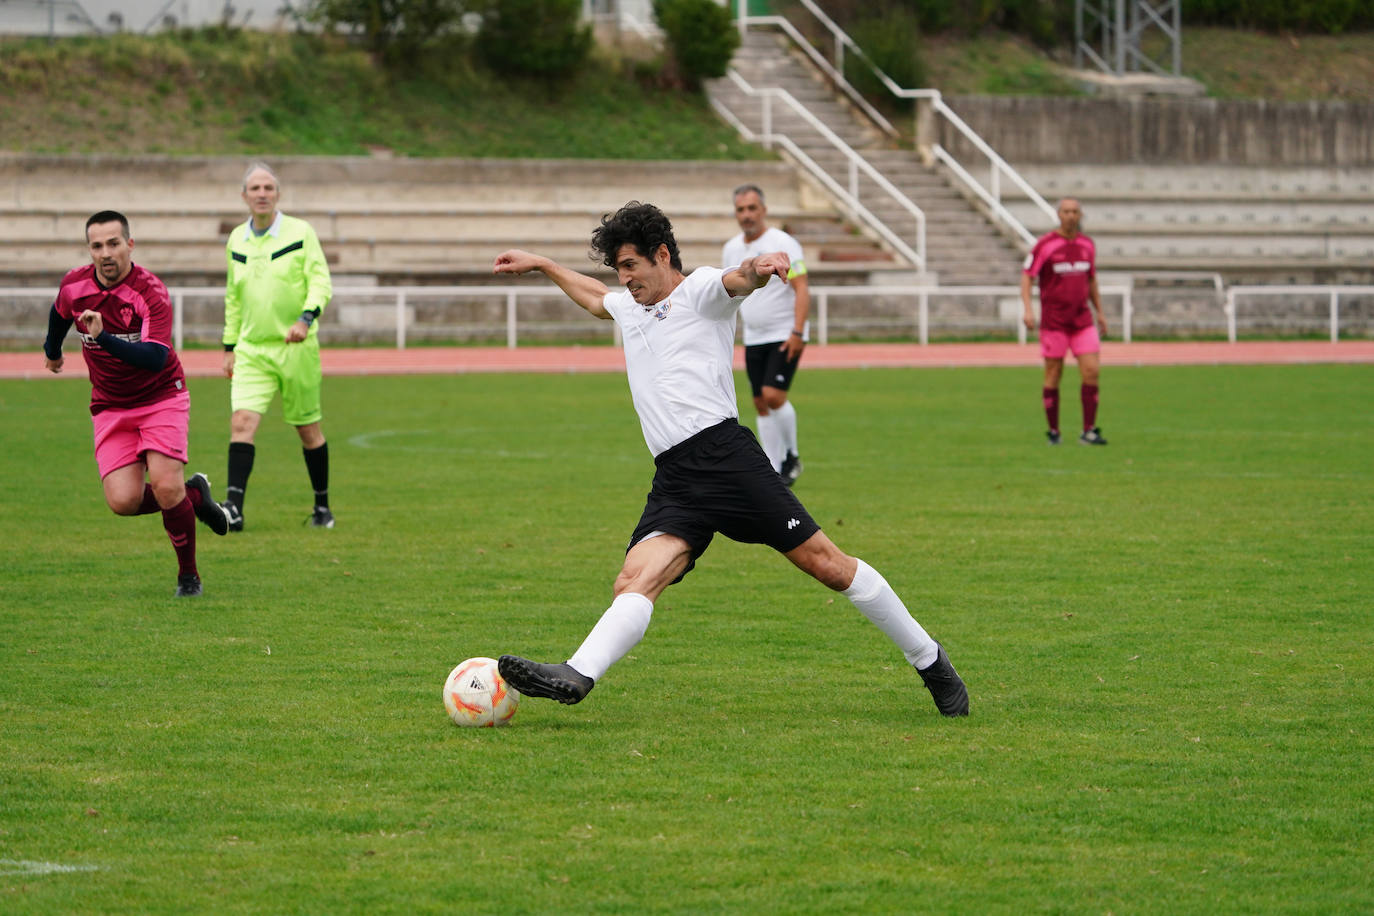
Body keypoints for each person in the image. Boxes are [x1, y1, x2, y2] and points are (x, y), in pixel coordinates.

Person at [491, 202, 968, 717]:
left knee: (829, 566)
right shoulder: (630, 306)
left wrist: (760, 268)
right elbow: (594, 298)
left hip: (726, 460)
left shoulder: (698, 292)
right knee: (633, 579)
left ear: (662, 254)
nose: (624, 279)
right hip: (675, 477)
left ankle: (930, 660)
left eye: (631, 266)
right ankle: (577, 673)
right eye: (618, 270)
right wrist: (543, 263)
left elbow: (737, 279)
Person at [42, 211, 231, 597]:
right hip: (110, 405)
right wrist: (52, 351)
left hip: (161, 396)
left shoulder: (150, 292)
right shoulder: (74, 285)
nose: (105, 253)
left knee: (163, 485)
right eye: (97, 246)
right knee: (123, 501)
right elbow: (59, 314)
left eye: (113, 243)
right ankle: (193, 494)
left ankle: (188, 577)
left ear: (130, 244)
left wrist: (103, 337)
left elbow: (154, 358)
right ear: (89, 250)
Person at [219, 161, 335, 530]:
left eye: (268, 187)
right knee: (242, 423)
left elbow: (320, 282)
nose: (262, 194)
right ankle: (233, 509)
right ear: (244, 196)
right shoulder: (236, 239)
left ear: (278, 194)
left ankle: (322, 507)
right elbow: (233, 298)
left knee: (308, 430)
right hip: (252, 350)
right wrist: (229, 346)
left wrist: (305, 319)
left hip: (296, 349)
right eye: (255, 188)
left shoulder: (301, 233)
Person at [721, 184, 810, 485]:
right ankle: (772, 469)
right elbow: (730, 292)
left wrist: (797, 332)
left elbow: (801, 288)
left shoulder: (783, 243)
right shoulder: (731, 248)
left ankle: (792, 457)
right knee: (760, 401)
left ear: (764, 210)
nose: (746, 215)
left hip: (784, 332)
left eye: (752, 208)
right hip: (755, 336)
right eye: (741, 209)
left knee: (773, 396)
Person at [1021, 197, 1109, 446]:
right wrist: (1028, 309)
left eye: (1075, 211)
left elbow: (1091, 280)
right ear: (1058, 215)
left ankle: (1089, 430)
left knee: (1092, 371)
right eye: (1066, 211)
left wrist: (1100, 311)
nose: (1071, 215)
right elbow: (1027, 277)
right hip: (1054, 322)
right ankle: (1054, 431)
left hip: (1082, 320)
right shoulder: (1045, 245)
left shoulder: (1087, 245)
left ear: (1081, 215)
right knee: (1053, 373)